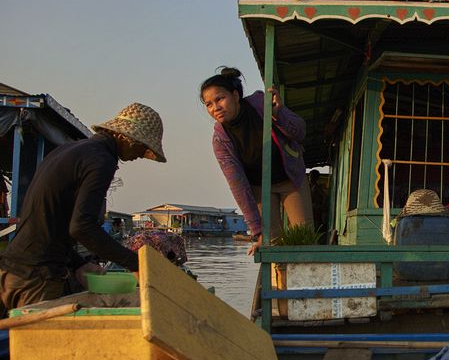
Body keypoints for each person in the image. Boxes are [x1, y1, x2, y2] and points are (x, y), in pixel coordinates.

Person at [0, 103, 166, 318]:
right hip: (37, 278)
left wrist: (78, 263)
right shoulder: (101, 160)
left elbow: (52, 220)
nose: (140, 156)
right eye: (142, 148)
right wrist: (136, 264)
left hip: (11, 269)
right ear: (127, 138)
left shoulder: (69, 150)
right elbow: (82, 226)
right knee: (40, 349)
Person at [200, 67, 313, 255]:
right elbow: (237, 184)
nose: (215, 108)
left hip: (291, 179)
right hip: (259, 188)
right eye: (209, 104)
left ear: (235, 95)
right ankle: (279, 283)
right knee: (271, 243)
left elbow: (300, 132)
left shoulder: (261, 104)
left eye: (220, 99)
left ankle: (306, 282)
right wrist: (258, 231)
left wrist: (279, 114)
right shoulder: (220, 140)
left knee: (305, 238)